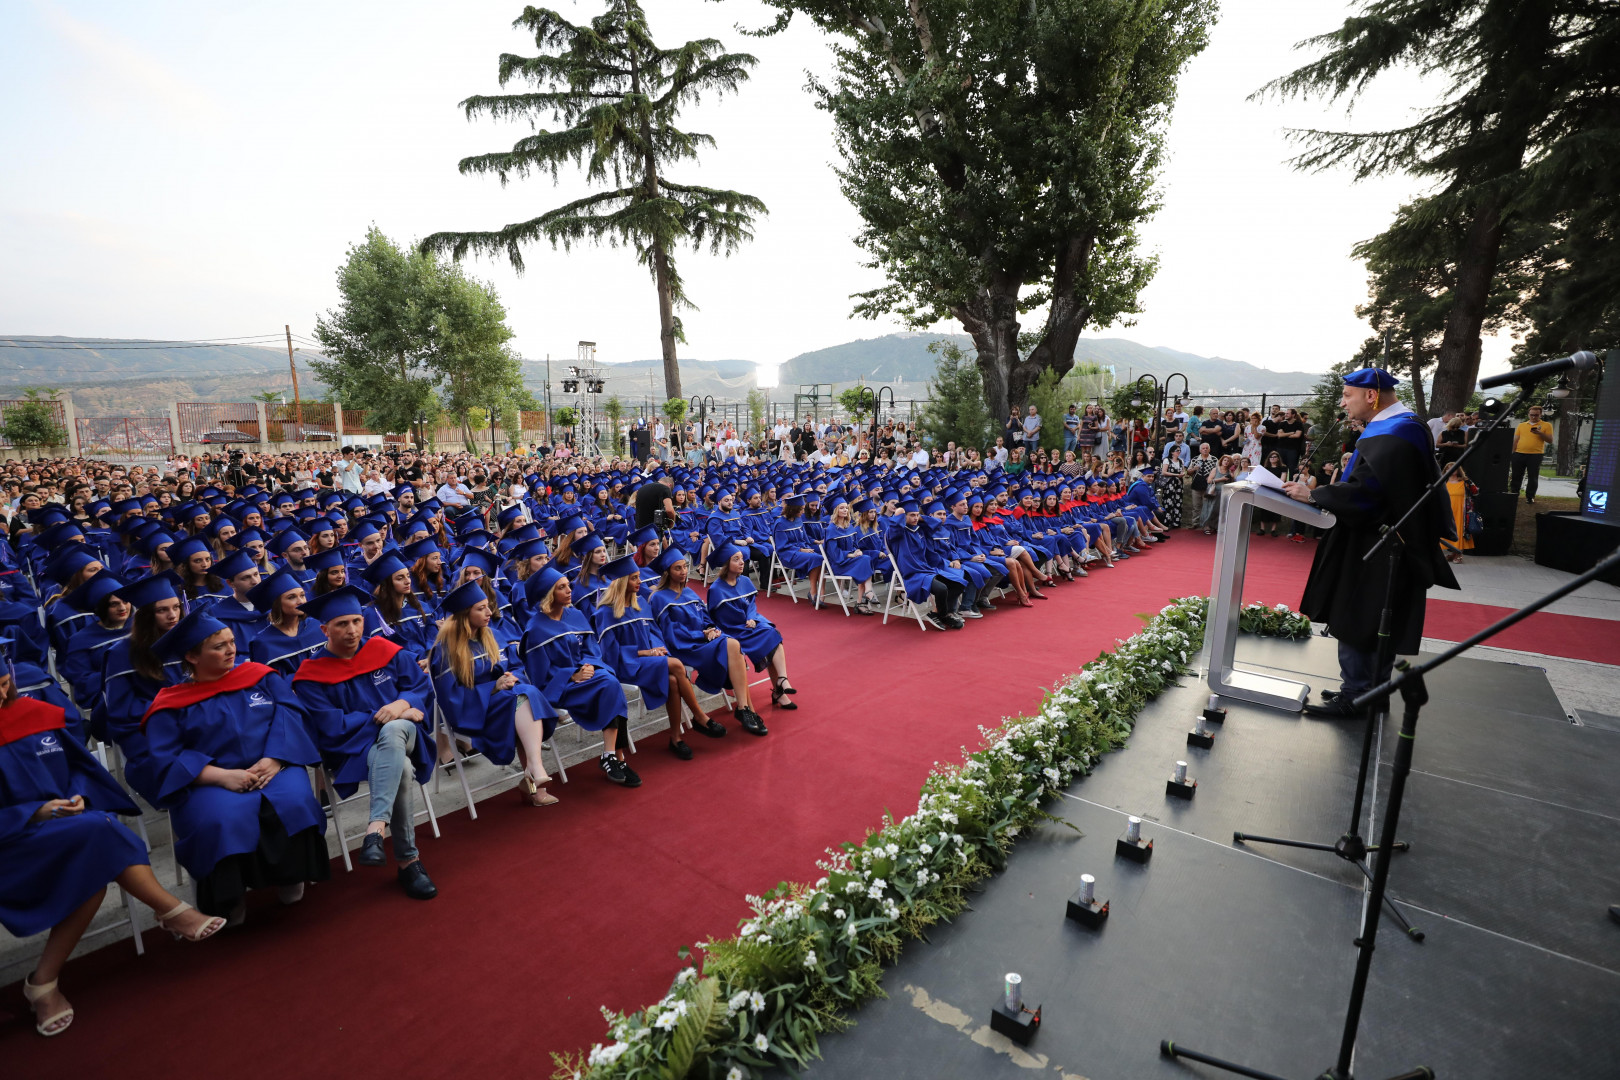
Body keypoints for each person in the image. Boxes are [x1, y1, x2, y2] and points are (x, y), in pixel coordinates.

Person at [1, 666, 225, 1038]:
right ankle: (170, 910)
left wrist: (79, 795)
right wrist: (33, 812)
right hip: (12, 845)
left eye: (3, 683)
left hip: (66, 830)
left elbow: (80, 769)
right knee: (100, 836)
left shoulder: (37, 715)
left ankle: (43, 983)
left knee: (95, 848)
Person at [1283, 368, 1460, 717]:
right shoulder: (1402, 426)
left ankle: (1358, 696)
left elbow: (1368, 493)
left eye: (1347, 395)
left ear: (1370, 395)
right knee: (1375, 616)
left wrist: (1315, 494)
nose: (1343, 402)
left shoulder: (1397, 431)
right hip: (1384, 540)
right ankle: (1369, 691)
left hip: (1377, 543)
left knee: (1360, 614)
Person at [140, 609, 330, 923]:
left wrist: (275, 758)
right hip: (210, 780)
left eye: (231, 642)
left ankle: (292, 876)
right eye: (219, 646)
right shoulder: (169, 703)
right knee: (220, 817)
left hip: (274, 764)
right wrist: (220, 776)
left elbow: (290, 713)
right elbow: (165, 756)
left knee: (293, 800)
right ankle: (231, 896)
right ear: (192, 656)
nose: (231, 650)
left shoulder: (260, 676)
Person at [291, 586, 438, 897]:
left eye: (357, 621)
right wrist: (390, 712)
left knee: (396, 729)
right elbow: (330, 726)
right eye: (342, 624)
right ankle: (408, 861)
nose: (352, 630)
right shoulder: (311, 674)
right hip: (353, 749)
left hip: (404, 736)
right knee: (401, 766)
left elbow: (419, 687)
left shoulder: (385, 651)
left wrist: (401, 705)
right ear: (324, 629)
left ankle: (376, 828)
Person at [434, 579, 560, 803]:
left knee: (523, 696)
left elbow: (517, 667)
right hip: (475, 711)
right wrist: (493, 687)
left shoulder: (493, 635)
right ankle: (534, 775)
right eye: (480, 608)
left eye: (487, 606)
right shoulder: (445, 651)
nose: (489, 612)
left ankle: (533, 772)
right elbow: (451, 700)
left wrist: (512, 677)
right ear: (464, 614)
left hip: (508, 700)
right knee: (524, 699)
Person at [592, 555, 724, 759]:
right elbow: (609, 654)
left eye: (638, 577)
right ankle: (699, 716)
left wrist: (657, 649)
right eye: (634, 578)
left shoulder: (641, 605)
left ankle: (675, 738)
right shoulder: (605, 613)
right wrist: (646, 652)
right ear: (621, 582)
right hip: (625, 665)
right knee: (677, 665)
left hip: (650, 661)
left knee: (673, 680)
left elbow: (655, 634)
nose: (640, 582)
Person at [519, 567, 638, 785]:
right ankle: (615, 757)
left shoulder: (575, 615)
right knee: (610, 685)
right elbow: (539, 676)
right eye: (561, 587)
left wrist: (589, 665)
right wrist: (572, 675)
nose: (569, 590)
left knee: (609, 682)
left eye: (568, 585)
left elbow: (591, 649)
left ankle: (612, 755)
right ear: (549, 595)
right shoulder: (536, 629)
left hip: (588, 677)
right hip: (559, 687)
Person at [646, 549, 769, 735]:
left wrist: (711, 628)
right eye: (677, 568)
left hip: (703, 640)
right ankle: (746, 709)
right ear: (667, 572)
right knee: (732, 646)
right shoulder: (659, 598)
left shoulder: (689, 592)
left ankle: (744, 708)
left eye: (685, 567)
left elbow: (705, 617)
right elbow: (672, 633)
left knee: (733, 644)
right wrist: (702, 635)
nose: (683, 571)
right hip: (684, 646)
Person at [707, 543, 797, 708]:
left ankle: (782, 682)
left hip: (749, 624)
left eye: (742, 558)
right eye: (736, 559)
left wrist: (752, 618)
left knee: (772, 633)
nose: (742, 562)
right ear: (727, 565)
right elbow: (715, 618)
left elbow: (751, 605)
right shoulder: (716, 589)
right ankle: (779, 690)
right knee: (769, 637)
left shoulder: (745, 581)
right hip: (732, 630)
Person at [1510, 404, 1554, 503]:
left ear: (1541, 415)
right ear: (1528, 414)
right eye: (1532, 415)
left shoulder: (1546, 425)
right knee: (1516, 475)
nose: (1533, 417)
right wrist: (1513, 453)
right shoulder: (1522, 425)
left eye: (1536, 415)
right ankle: (1514, 494)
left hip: (1535, 454)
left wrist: (1540, 433)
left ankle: (1530, 497)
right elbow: (1516, 440)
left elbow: (1550, 440)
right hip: (1519, 453)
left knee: (1532, 476)